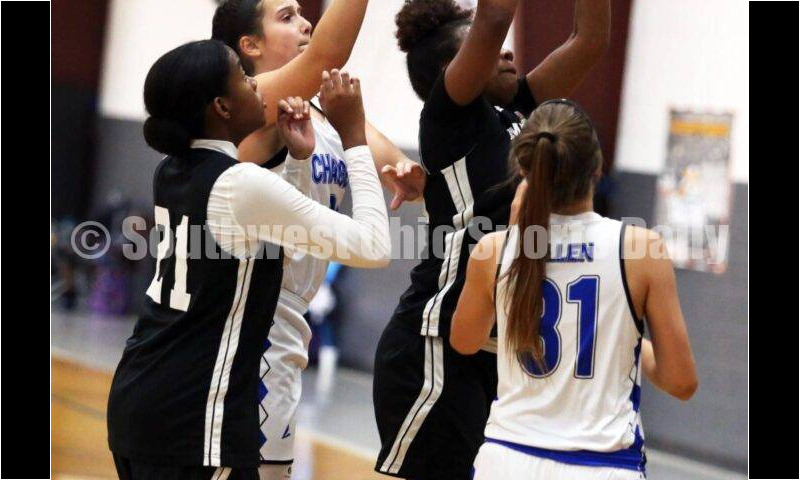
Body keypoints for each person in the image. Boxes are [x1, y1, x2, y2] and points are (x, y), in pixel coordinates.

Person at [106, 39, 390, 479]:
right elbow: (373, 246)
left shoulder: (173, 168)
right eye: (243, 75)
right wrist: (354, 137)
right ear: (221, 105)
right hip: (194, 419)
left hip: (141, 401)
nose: (257, 84)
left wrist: (298, 164)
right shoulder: (240, 185)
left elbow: (274, 239)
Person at [373, 0, 610, 478]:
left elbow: (591, 39)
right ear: (453, 69)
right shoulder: (451, 119)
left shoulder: (517, 114)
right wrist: (489, 28)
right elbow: (497, 15)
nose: (505, 53)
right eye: (487, 48)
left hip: (496, 356)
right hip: (436, 346)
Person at [212, 2, 425, 478]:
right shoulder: (254, 106)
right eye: (286, 17)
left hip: (287, 324)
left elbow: (397, 168)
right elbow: (330, 50)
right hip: (248, 322)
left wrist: (409, 176)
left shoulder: (320, 114)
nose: (306, 22)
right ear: (250, 45)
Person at [451, 99, 698, 479]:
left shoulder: (494, 250)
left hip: (508, 460)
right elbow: (681, 382)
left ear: (525, 168)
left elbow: (465, 341)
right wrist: (626, 341)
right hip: (602, 464)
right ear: (597, 168)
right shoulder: (642, 249)